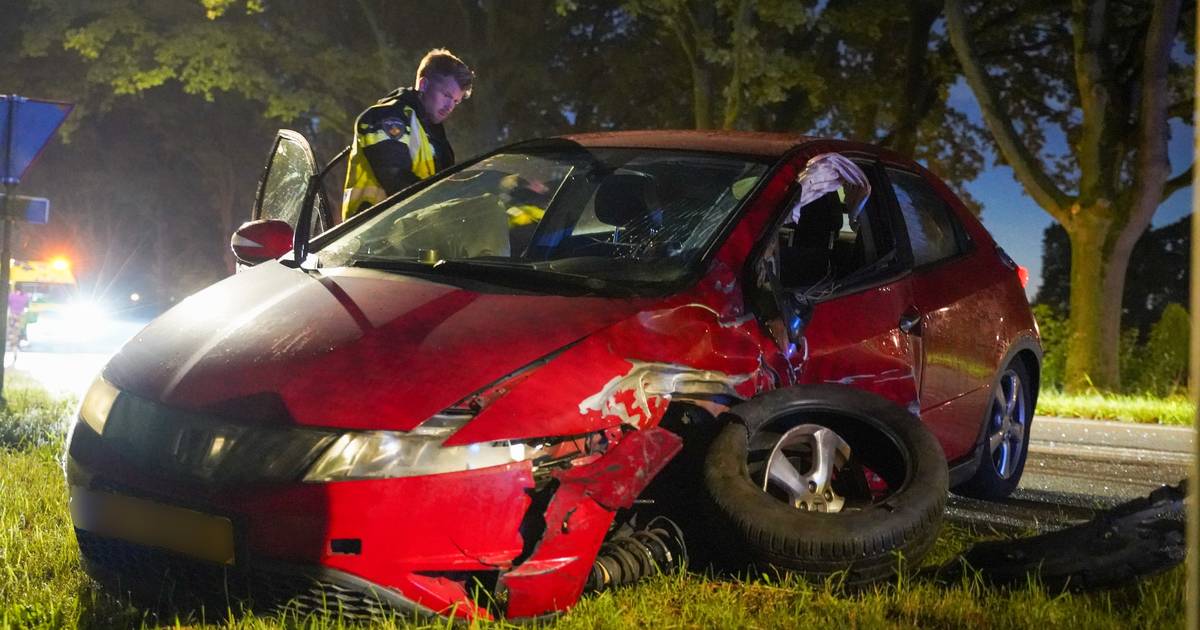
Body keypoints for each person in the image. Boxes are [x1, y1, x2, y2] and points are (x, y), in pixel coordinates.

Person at [342, 48, 475, 221]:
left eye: (455, 101)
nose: (450, 106)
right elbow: (394, 178)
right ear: (424, 84)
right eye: (446, 95)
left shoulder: (436, 137)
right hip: (370, 235)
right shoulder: (386, 117)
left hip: (409, 235)